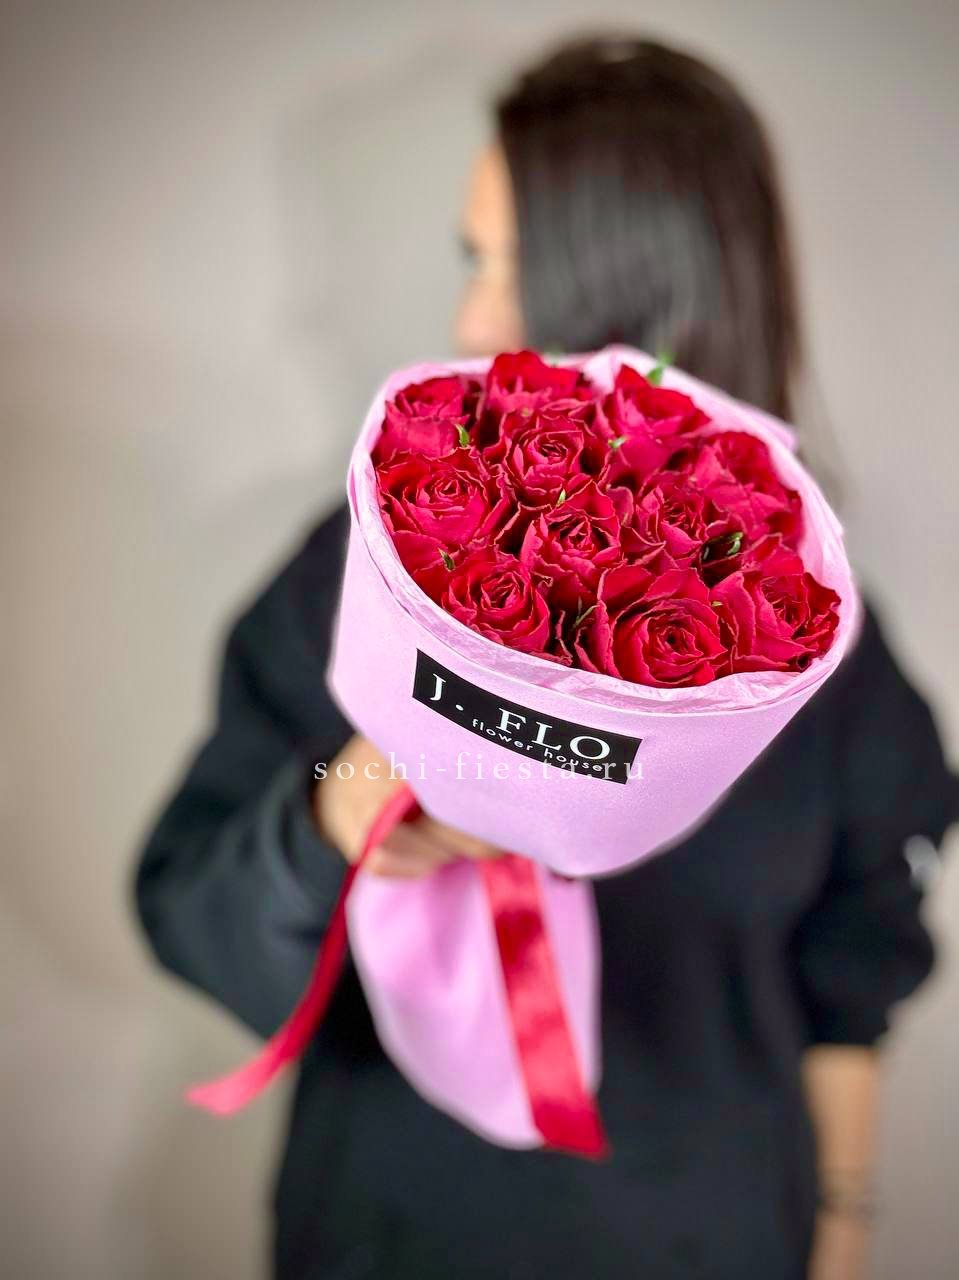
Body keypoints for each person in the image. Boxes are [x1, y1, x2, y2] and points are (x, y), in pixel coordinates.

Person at [133, 35, 958, 1280]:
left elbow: (855, 960)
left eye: (520, 270)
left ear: (658, 286)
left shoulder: (801, 640)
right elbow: (185, 904)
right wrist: (336, 810)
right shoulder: (365, 572)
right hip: (390, 1241)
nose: (471, 320)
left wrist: (839, 1227)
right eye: (472, 260)